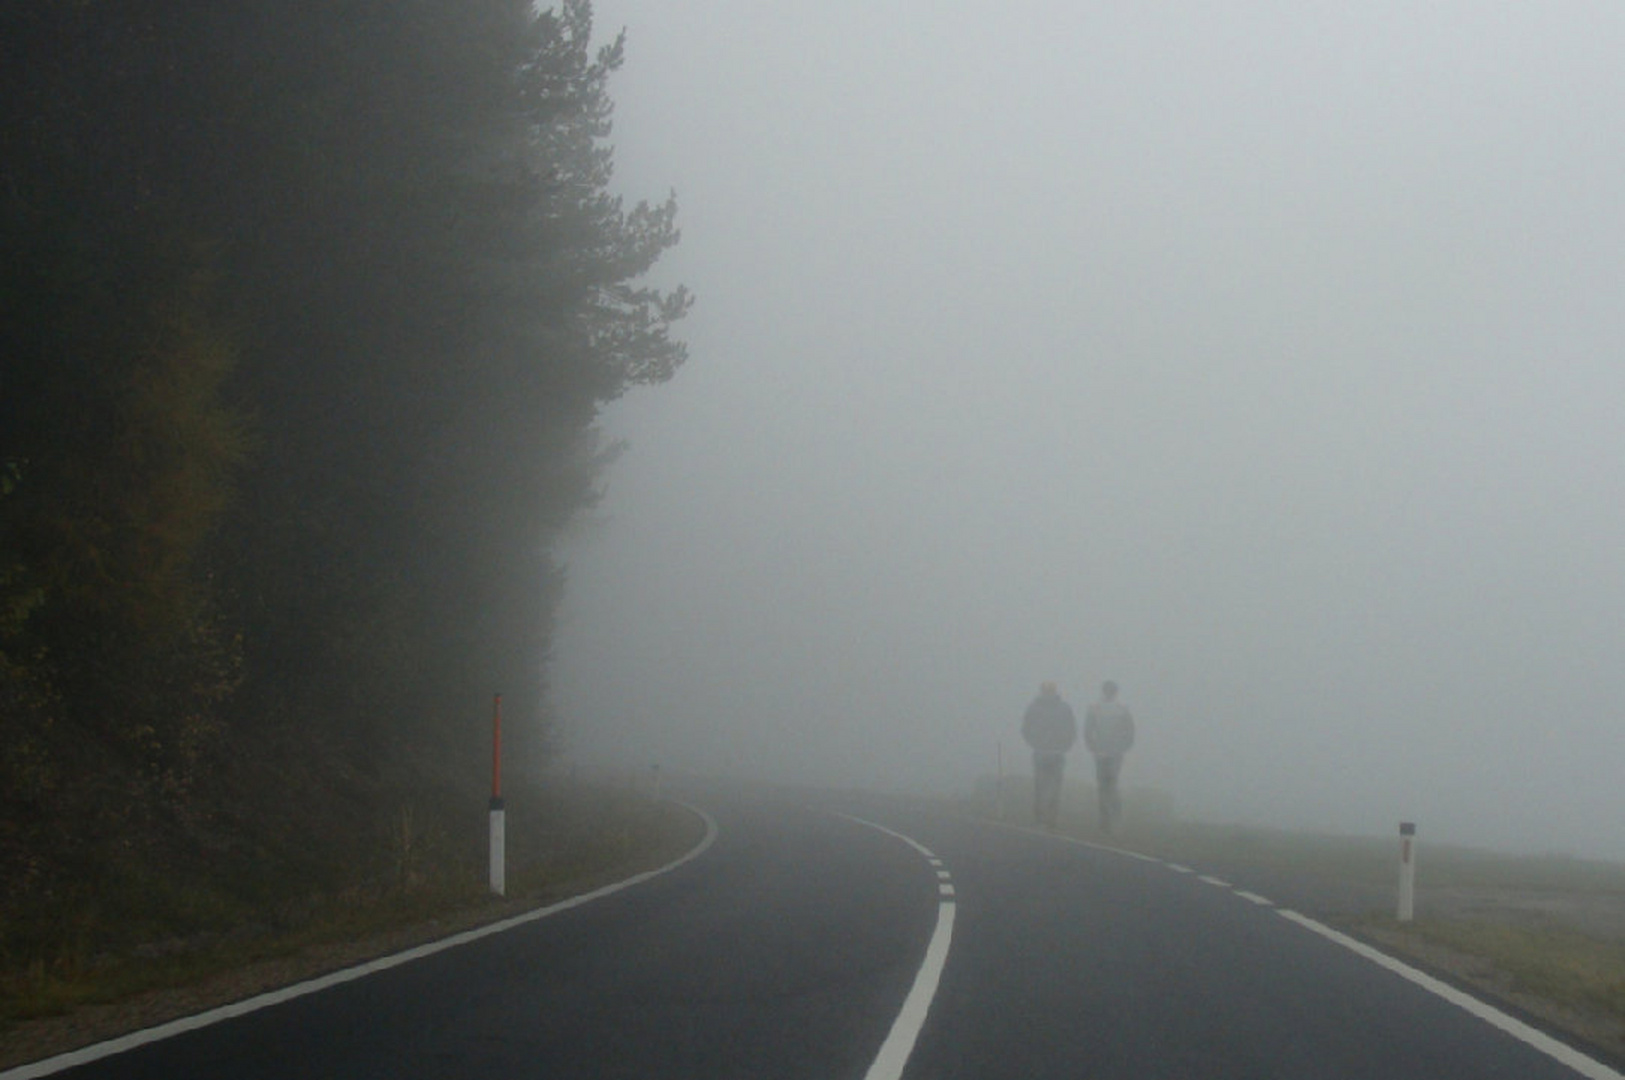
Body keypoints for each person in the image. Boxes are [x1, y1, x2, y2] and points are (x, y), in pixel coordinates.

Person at [1021, 681, 1077, 830]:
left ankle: (1044, 818)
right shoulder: (1062, 708)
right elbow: (1026, 728)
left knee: (1045, 785)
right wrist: (1064, 745)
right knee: (1049, 785)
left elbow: (1071, 729)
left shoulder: (1036, 708)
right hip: (1049, 752)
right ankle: (1047, 818)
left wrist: (1064, 745)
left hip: (1049, 752)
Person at [1084, 680, 1135, 834]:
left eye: (1111, 690)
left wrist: (1124, 746)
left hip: (1114, 752)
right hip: (1101, 752)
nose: (1109, 693)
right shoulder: (1095, 707)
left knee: (1110, 784)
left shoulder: (1122, 708)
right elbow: (1088, 730)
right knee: (1103, 785)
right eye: (1108, 690)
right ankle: (1105, 820)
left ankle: (1114, 817)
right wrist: (1092, 746)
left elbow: (1130, 730)